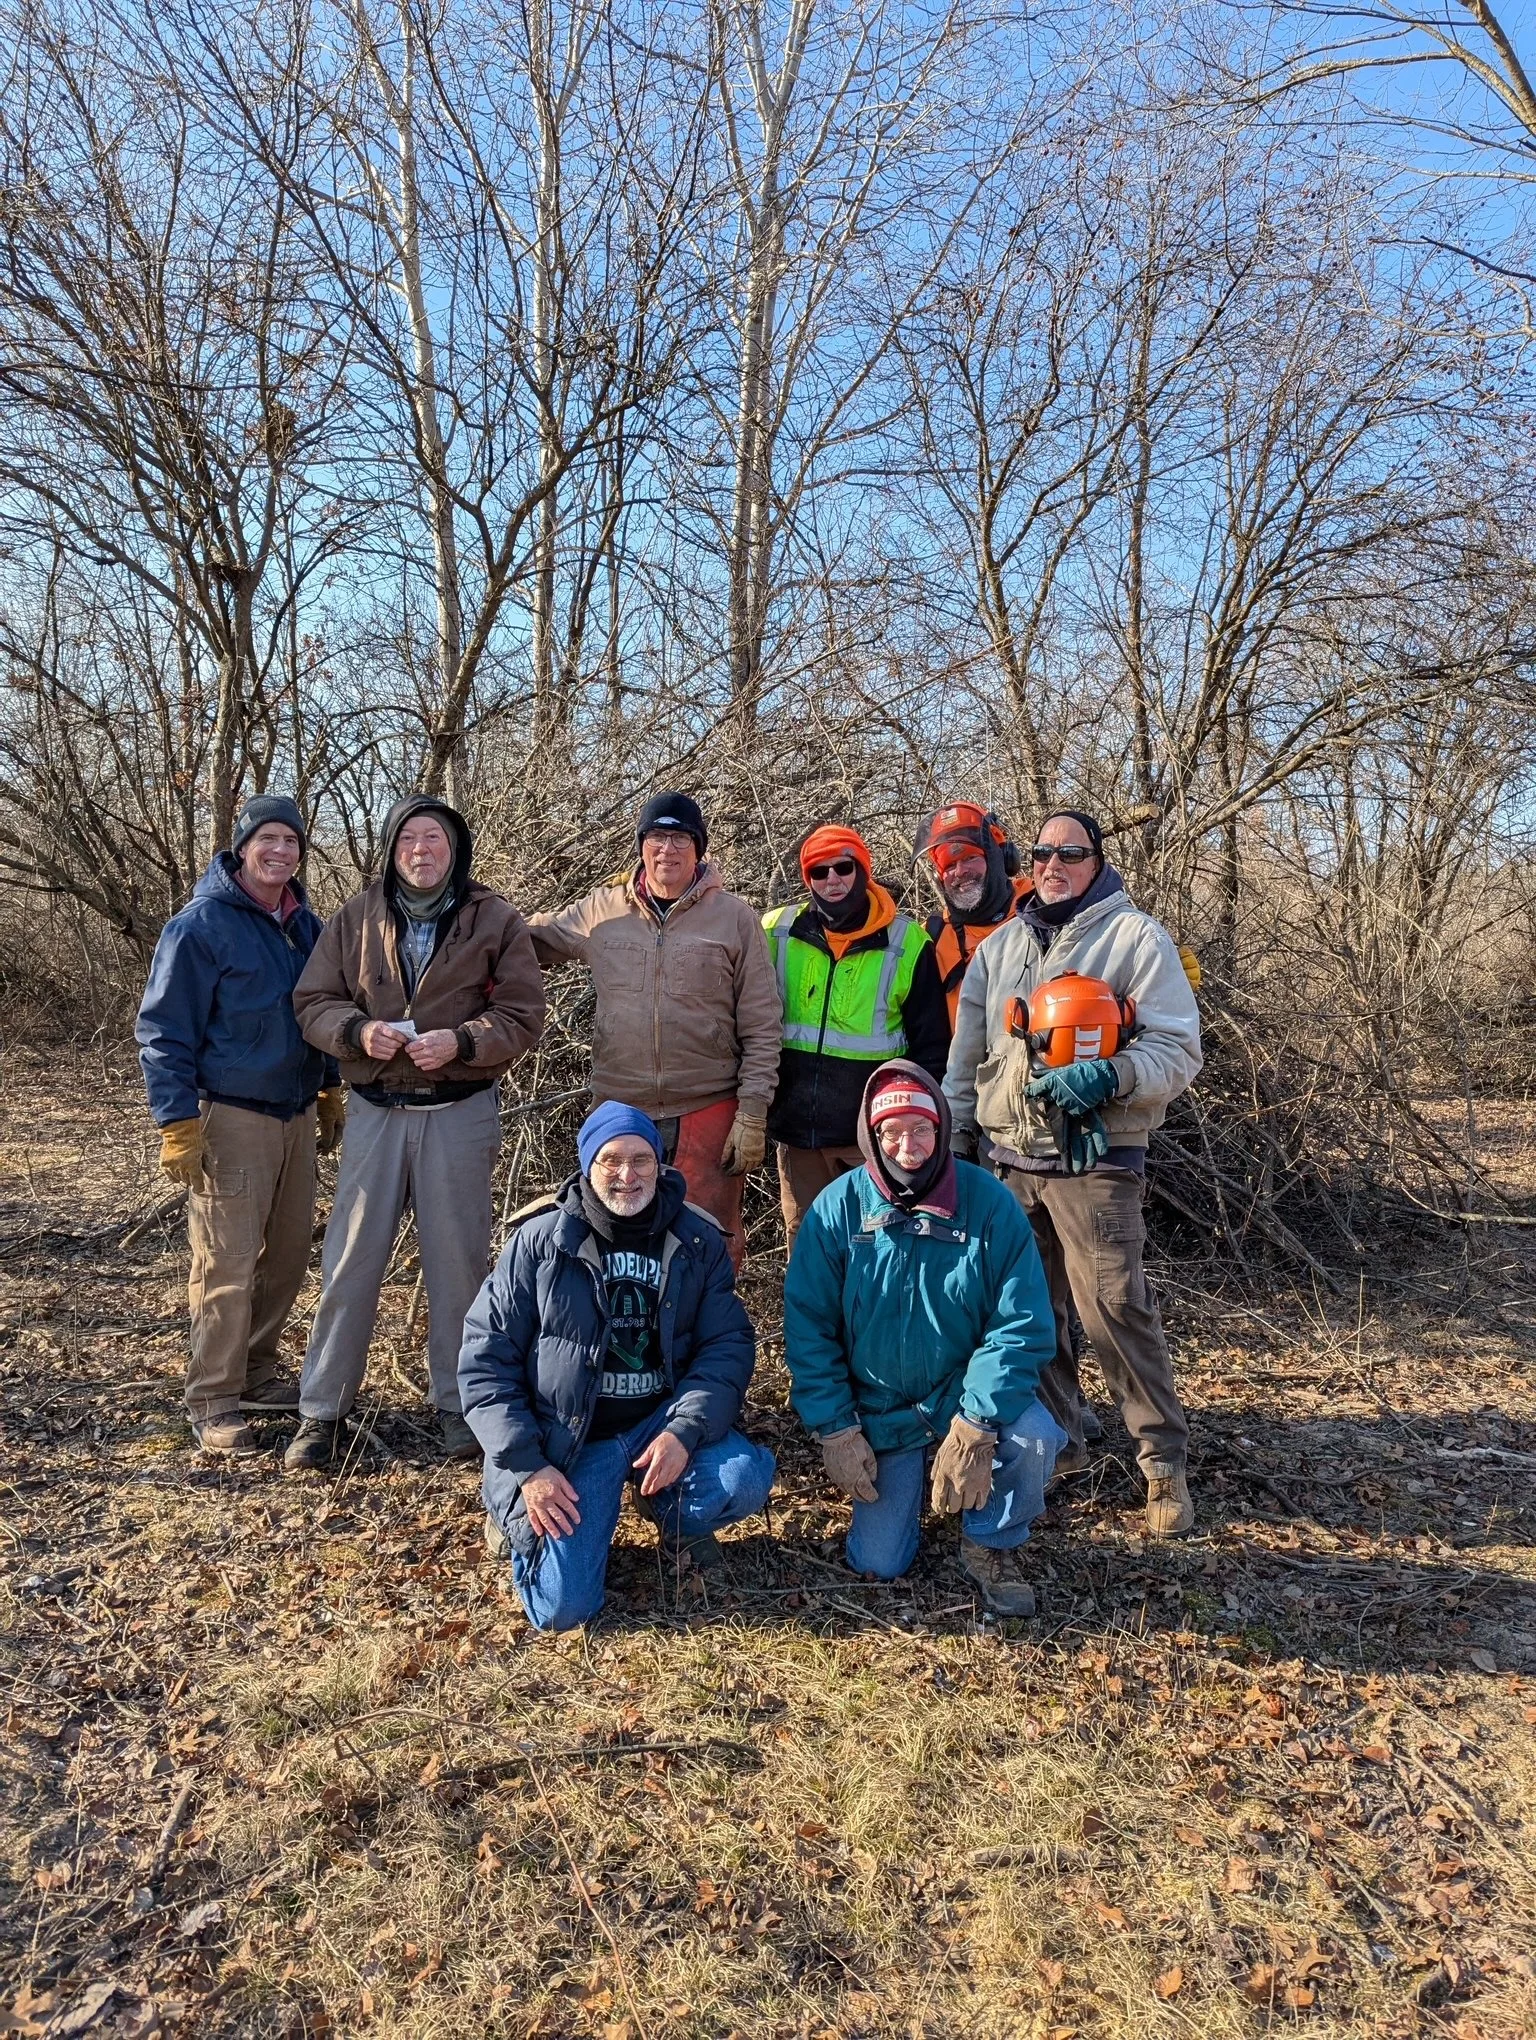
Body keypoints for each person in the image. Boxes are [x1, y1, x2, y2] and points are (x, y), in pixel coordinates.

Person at [944, 808, 1203, 1537]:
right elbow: (968, 1057)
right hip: (1007, 1158)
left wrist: (1111, 1075)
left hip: (1097, 1160)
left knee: (1113, 1308)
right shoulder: (1002, 947)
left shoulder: (1136, 938)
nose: (1054, 863)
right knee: (1031, 1314)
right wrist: (960, 1138)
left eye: (1071, 853)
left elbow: (1179, 1052)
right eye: (1044, 852)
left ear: (1097, 861)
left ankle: (1163, 1464)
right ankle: (1062, 1444)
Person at [285, 795, 546, 1470]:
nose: (422, 850)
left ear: (455, 849)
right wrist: (356, 1032)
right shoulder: (357, 915)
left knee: (458, 1268)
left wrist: (461, 1041)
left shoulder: (495, 919)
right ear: (392, 849)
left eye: (434, 838)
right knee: (349, 1263)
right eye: (410, 839)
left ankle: (462, 1406)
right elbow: (313, 1001)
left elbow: (521, 1014)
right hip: (375, 1113)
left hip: (459, 1114)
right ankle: (321, 1413)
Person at [460, 1102, 776, 1632]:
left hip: (657, 1425)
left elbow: (727, 1347)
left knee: (742, 1477)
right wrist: (530, 1467)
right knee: (562, 1610)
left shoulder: (696, 1239)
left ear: (660, 1165)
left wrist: (683, 1431)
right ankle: (515, 1522)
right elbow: (483, 1362)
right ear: (587, 1166)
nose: (627, 1175)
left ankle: (673, 1515)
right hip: (571, 1441)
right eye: (610, 1161)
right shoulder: (539, 1242)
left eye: (641, 1160)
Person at [782, 1061, 1063, 1615]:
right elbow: (808, 1327)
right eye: (891, 1131)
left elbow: (1021, 1324)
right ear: (871, 1135)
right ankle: (911, 1487)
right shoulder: (838, 1209)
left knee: (1034, 1439)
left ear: (940, 1129)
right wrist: (836, 1429)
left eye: (920, 1129)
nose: (906, 1144)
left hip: (961, 1391)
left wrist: (978, 1424)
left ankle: (990, 1541)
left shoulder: (989, 1204)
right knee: (879, 1562)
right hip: (881, 1405)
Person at [135, 795, 343, 1455]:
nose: (280, 852)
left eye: (291, 841)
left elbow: (323, 1011)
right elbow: (163, 1031)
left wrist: (332, 1088)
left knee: (284, 1258)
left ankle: (255, 1370)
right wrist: (176, 1122)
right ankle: (214, 1397)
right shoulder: (200, 926)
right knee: (225, 1262)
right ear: (242, 847)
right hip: (231, 1116)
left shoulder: (305, 926)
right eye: (268, 840)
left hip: (296, 1113)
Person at [526, 792, 780, 1272]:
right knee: (614, 1241)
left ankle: (706, 1345)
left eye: (681, 837)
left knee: (708, 1243)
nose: (668, 849)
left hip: (708, 1107)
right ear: (641, 845)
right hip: (619, 1109)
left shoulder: (735, 918)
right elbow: (531, 942)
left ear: (698, 848)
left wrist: (753, 1112)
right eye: (657, 837)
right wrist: (472, 919)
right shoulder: (603, 911)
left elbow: (762, 1022)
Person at [763, 825, 950, 1248]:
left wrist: (908, 1127)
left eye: (843, 868)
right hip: (797, 1136)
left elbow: (932, 1048)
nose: (832, 880)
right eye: (819, 872)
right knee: (808, 1244)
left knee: (877, 1244)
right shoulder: (776, 930)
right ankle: (813, 1318)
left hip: (871, 1137)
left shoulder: (908, 942)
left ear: (863, 870)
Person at [912, 801, 1033, 1026]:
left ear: (1000, 858)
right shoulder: (930, 936)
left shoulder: (1038, 911)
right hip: (958, 1060)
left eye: (970, 858)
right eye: (949, 866)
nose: (960, 872)